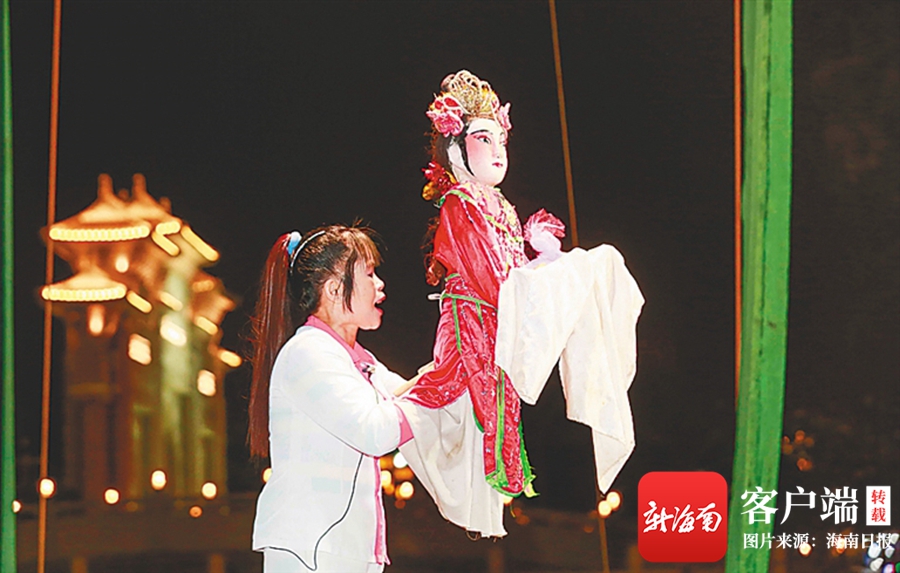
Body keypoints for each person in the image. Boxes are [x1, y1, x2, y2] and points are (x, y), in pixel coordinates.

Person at [395, 70, 551, 537]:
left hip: (501, 325)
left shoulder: (504, 208)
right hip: (472, 323)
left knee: (492, 413)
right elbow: (490, 276)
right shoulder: (460, 202)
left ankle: (484, 510)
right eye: (484, 139)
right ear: (456, 148)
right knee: (456, 406)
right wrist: (536, 300)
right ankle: (386, 416)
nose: (498, 150)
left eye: (502, 140)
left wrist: (547, 263)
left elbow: (514, 271)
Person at [248, 226, 413, 573]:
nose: (380, 284)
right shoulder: (309, 352)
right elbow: (376, 431)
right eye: (369, 273)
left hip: (343, 548)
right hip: (312, 548)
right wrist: (440, 388)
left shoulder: (358, 360)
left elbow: (412, 395)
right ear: (335, 289)